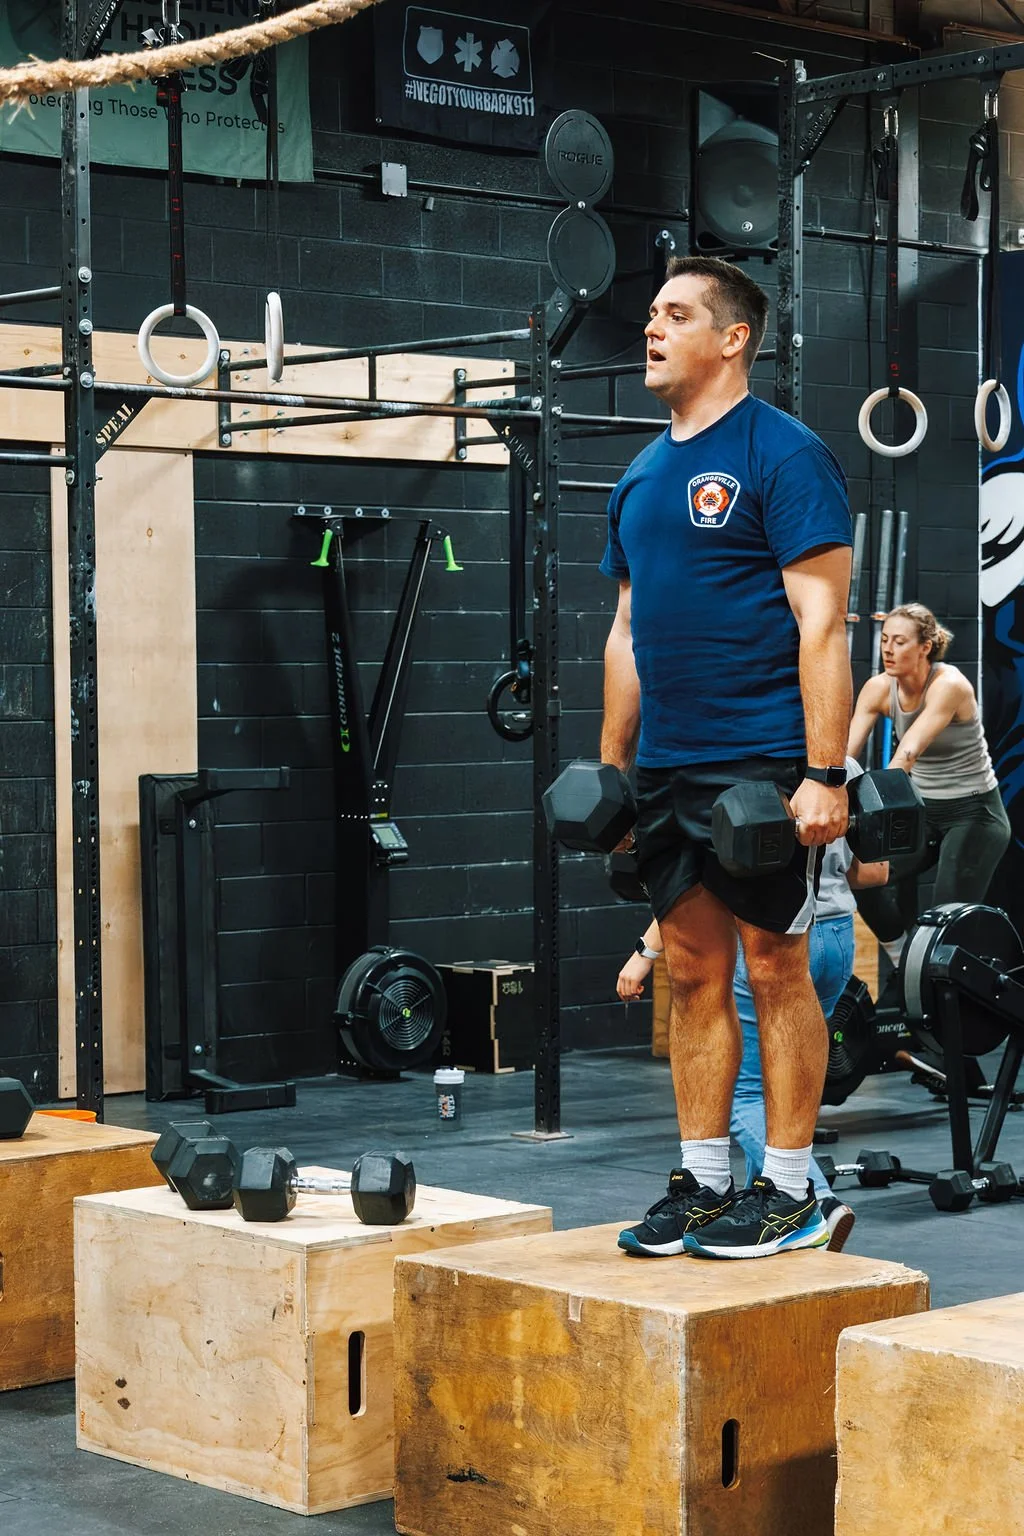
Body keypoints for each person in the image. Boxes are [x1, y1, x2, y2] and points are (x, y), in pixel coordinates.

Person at [600, 254, 853, 1261]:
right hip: (666, 767)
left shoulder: (783, 455)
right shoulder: (639, 473)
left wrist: (824, 773)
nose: (650, 329)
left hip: (760, 767)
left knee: (773, 966)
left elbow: (823, 622)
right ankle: (706, 1181)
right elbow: (625, 633)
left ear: (731, 337)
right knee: (693, 973)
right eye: (650, 315)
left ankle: (787, 1189)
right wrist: (612, 773)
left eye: (673, 314)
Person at [617, 757, 889, 1254]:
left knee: (745, 1090)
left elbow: (706, 883)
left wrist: (646, 951)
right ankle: (750, 1206)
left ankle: (811, 1200)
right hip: (837, 935)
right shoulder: (843, 771)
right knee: (788, 1070)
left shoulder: (747, 773)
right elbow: (874, 871)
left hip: (776, 933)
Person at [848, 602, 1011, 969]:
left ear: (925, 646)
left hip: (975, 815)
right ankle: (901, 961)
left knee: (943, 921)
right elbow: (845, 758)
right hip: (927, 813)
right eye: (885, 640)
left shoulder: (949, 684)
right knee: (861, 875)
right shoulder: (878, 688)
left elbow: (907, 753)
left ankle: (942, 992)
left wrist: (875, 810)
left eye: (900, 641)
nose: (888, 649)